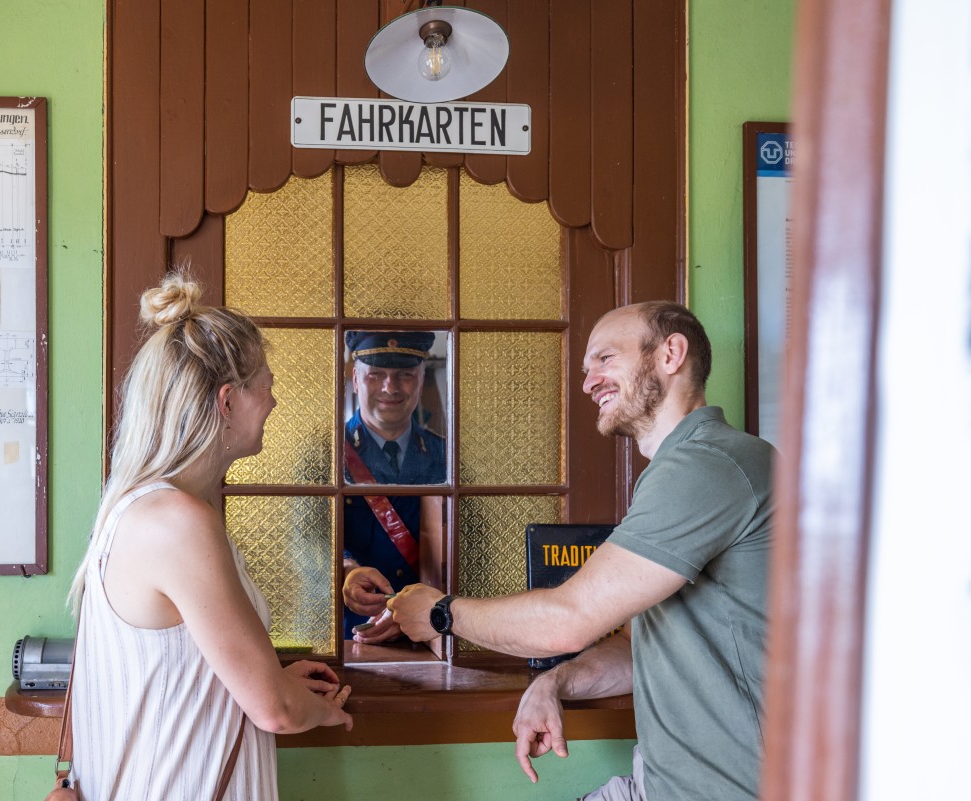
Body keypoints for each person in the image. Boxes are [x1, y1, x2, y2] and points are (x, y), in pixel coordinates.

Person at [389, 302, 775, 801]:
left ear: (671, 354)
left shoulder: (709, 465)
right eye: (587, 367)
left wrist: (440, 614)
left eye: (605, 359)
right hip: (662, 785)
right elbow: (644, 647)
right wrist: (559, 680)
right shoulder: (685, 467)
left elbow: (565, 620)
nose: (589, 381)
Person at [67, 271, 353, 801]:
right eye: (265, 387)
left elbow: (178, 670)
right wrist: (324, 709)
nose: (273, 403)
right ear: (227, 402)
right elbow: (277, 711)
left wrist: (273, 673)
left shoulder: (146, 510)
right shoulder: (179, 523)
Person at [341, 330, 445, 643]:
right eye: (376, 374)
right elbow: (305, 543)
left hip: (434, 635)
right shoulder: (324, 456)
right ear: (356, 381)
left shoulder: (447, 456)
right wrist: (346, 570)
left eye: (404, 374)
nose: (390, 387)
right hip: (351, 636)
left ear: (421, 377)